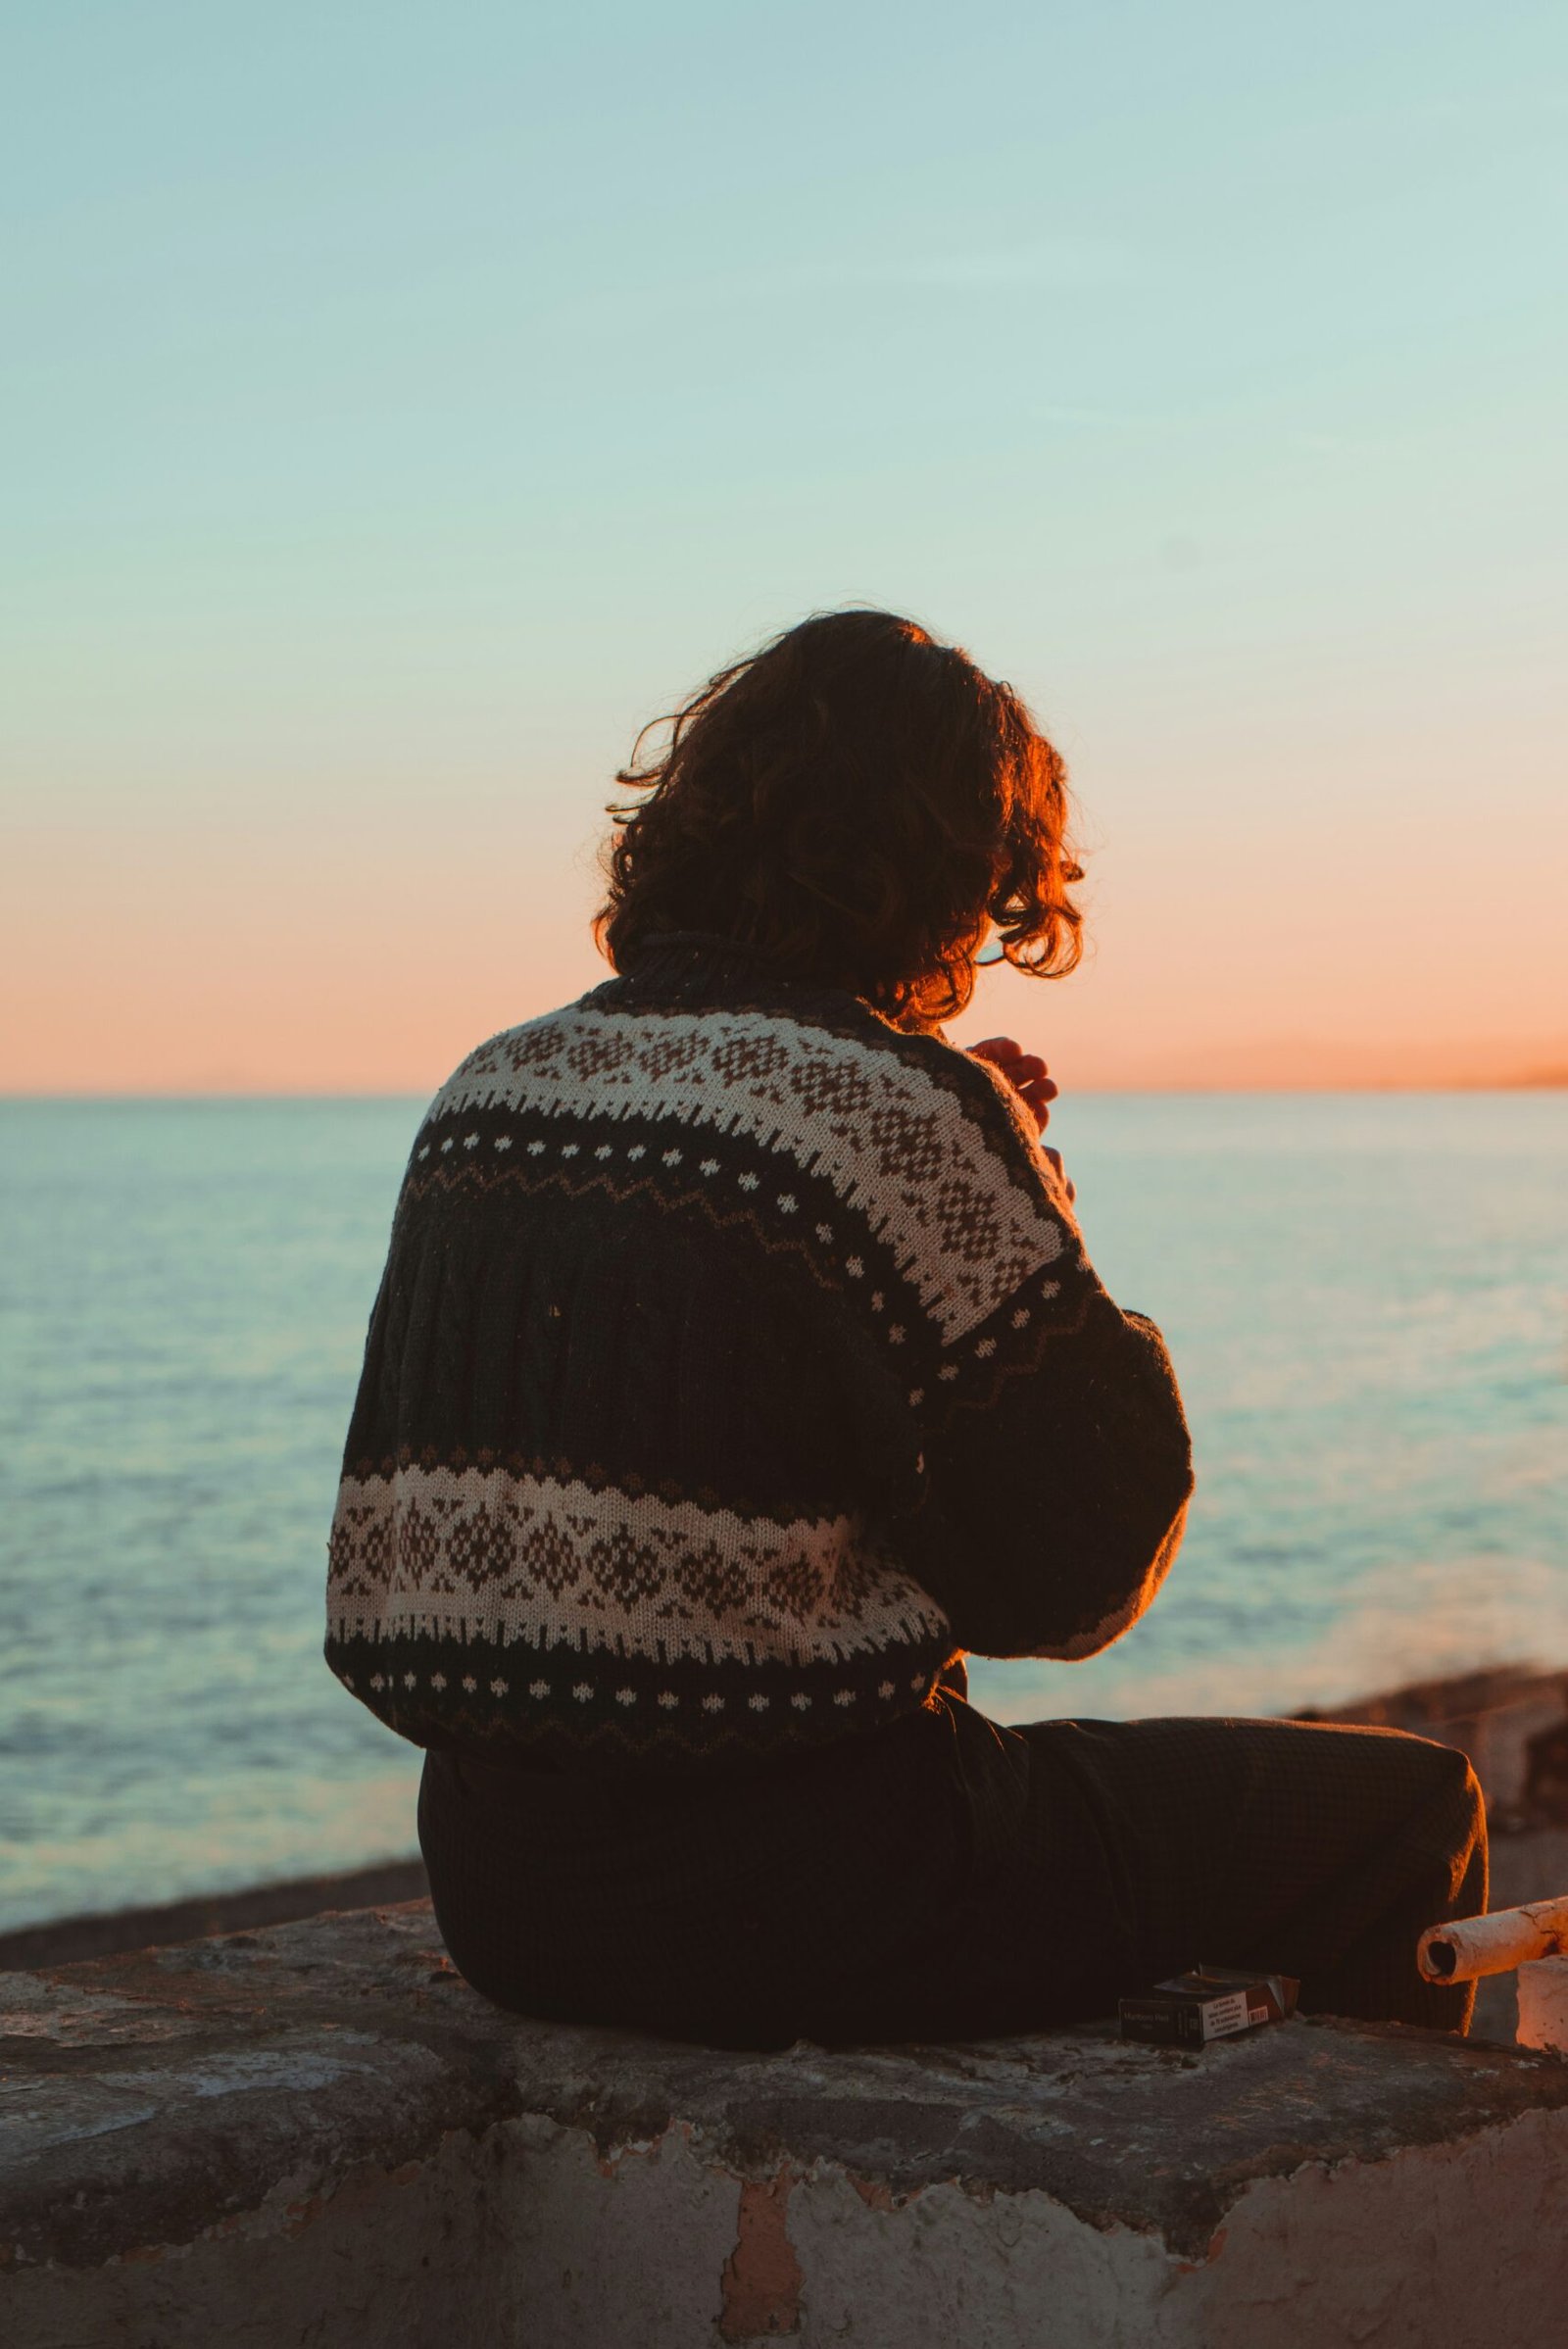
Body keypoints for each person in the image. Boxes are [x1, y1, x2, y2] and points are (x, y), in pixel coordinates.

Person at [325, 609, 1486, 2047]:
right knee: (1409, 1812)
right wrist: (1027, 1207)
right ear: (955, 870)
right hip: (819, 1894)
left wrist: (957, 1186)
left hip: (504, 1892)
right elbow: (1075, 1582)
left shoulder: (489, 1089)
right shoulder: (895, 1112)